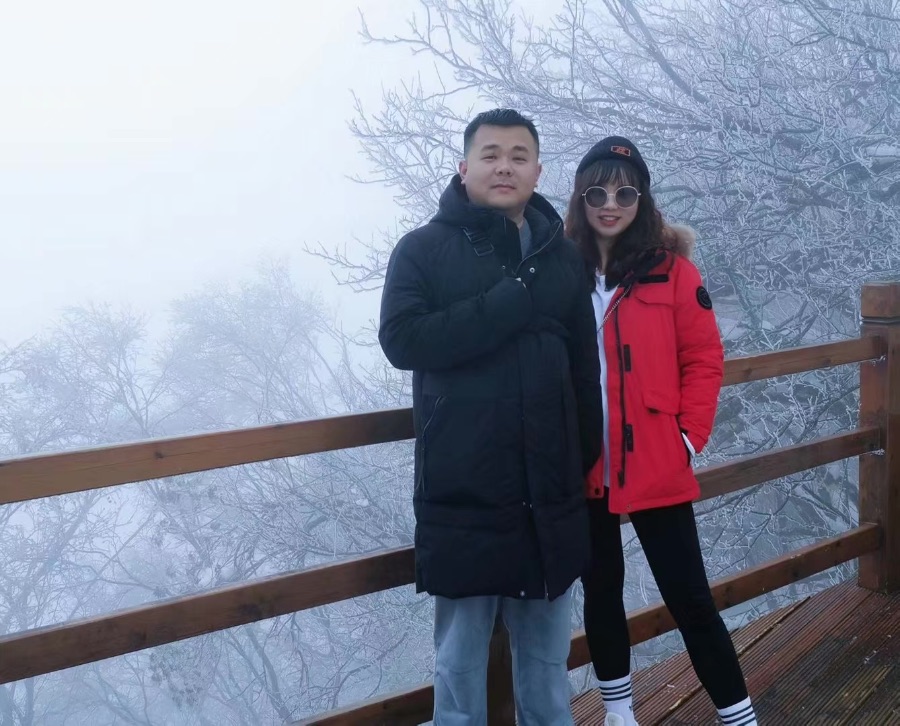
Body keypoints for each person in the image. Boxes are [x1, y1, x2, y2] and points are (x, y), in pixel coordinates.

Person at [379, 108, 602, 725]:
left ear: (538, 171)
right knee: (458, 667)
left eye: (519, 156)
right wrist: (507, 304)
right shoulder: (422, 249)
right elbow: (402, 339)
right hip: (464, 492)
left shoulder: (563, 257)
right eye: (491, 154)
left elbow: (585, 370)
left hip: (550, 492)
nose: (505, 166)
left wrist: (583, 457)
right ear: (464, 167)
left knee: (547, 664)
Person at [565, 136, 758, 726]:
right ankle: (619, 714)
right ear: (580, 197)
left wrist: (687, 437)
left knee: (689, 597)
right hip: (582, 458)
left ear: (642, 199)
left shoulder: (673, 272)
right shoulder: (560, 272)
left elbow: (703, 358)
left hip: (655, 456)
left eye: (625, 193)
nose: (610, 204)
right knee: (601, 590)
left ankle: (739, 716)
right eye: (598, 192)